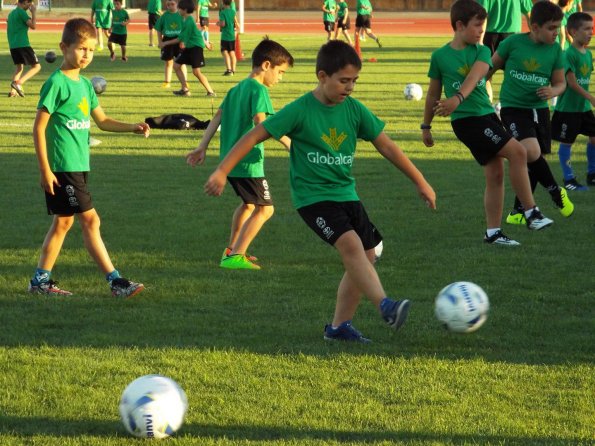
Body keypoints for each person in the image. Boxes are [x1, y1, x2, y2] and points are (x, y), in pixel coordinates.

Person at [205, 40, 436, 343]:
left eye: (354, 81)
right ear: (322, 76)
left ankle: (339, 327)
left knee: (367, 255)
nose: (350, 87)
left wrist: (420, 180)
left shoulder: (354, 110)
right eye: (343, 81)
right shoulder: (300, 110)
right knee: (352, 247)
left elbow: (387, 146)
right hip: (313, 199)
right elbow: (254, 136)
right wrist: (222, 170)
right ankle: (386, 305)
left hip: (347, 195)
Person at [30, 18, 149, 297]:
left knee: (63, 222)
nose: (87, 55)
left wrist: (132, 126)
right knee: (90, 220)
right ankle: (115, 281)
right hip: (63, 167)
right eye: (82, 48)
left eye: (92, 50)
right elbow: (39, 127)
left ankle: (40, 281)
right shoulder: (56, 83)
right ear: (64, 47)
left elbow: (103, 120)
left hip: (80, 166)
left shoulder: (85, 85)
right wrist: (45, 170)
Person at [423, 0, 553, 247]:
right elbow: (432, 93)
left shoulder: (482, 51)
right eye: (477, 26)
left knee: (495, 173)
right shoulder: (439, 56)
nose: (482, 31)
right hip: (468, 121)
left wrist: (457, 98)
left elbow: (475, 76)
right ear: (459, 25)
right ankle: (531, 212)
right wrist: (425, 126)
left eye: (483, 26)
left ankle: (493, 233)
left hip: (486, 116)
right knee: (517, 152)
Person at [187, 38, 294, 270]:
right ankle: (236, 256)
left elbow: (217, 117)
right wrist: (288, 143)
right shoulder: (258, 89)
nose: (280, 78)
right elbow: (261, 122)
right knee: (266, 209)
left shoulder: (236, 88)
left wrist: (202, 147)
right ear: (266, 66)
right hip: (247, 162)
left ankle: (231, 249)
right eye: (280, 72)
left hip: (230, 160)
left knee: (248, 205)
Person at [488, 0, 574, 226]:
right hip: (514, 108)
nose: (557, 32)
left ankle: (517, 211)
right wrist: (475, 90)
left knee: (536, 159)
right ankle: (556, 192)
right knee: (530, 151)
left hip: (540, 110)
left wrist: (552, 90)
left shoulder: (556, 50)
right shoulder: (513, 43)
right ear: (534, 27)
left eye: (558, 27)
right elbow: (490, 67)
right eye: (552, 28)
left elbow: (560, 83)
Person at [551, 11, 595, 189]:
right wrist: (591, 97)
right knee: (567, 142)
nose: (590, 32)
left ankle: (592, 174)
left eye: (591, 28)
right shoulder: (568, 54)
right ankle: (569, 180)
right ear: (573, 32)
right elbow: (572, 83)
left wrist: (587, 100)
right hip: (568, 109)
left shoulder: (588, 54)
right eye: (586, 29)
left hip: (582, 108)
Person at [160, 0, 215, 97]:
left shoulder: (188, 21)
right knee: (176, 66)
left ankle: (210, 92)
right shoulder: (186, 19)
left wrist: (165, 42)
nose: (178, 10)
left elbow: (180, 38)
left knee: (196, 72)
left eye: (180, 8)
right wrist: (206, 42)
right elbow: (196, 32)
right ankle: (185, 89)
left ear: (184, 10)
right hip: (190, 47)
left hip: (195, 48)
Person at [6, 0, 40, 98]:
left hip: (13, 46)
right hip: (23, 44)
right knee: (36, 67)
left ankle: (12, 92)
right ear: (24, 2)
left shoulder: (12, 13)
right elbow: (33, 26)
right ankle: (19, 83)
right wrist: (33, 12)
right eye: (29, 3)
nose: (30, 5)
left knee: (19, 68)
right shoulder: (21, 12)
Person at [155, 0, 186, 88]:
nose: (170, 6)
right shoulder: (164, 16)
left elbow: (186, 29)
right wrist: (160, 41)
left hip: (179, 40)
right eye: (168, 5)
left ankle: (185, 82)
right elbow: (158, 29)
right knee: (168, 62)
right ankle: (167, 81)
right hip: (167, 40)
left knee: (181, 62)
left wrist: (184, 41)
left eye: (172, 4)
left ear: (177, 4)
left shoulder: (181, 15)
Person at [217, 0, 237, 75]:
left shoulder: (223, 12)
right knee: (232, 52)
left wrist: (218, 23)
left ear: (223, 2)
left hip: (225, 35)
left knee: (224, 52)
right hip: (232, 34)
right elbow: (234, 21)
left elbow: (223, 24)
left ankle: (229, 70)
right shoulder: (232, 11)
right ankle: (233, 70)